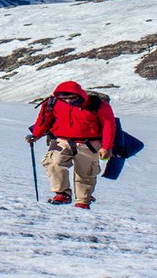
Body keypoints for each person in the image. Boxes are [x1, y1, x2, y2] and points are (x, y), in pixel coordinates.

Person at [26, 80, 116, 209]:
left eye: (72, 98)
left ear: (80, 94)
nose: (68, 101)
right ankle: (62, 194)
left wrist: (106, 146)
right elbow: (44, 119)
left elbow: (108, 125)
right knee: (53, 163)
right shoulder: (52, 102)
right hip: (61, 140)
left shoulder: (98, 105)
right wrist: (36, 135)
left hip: (89, 143)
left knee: (85, 172)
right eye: (64, 98)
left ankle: (83, 201)